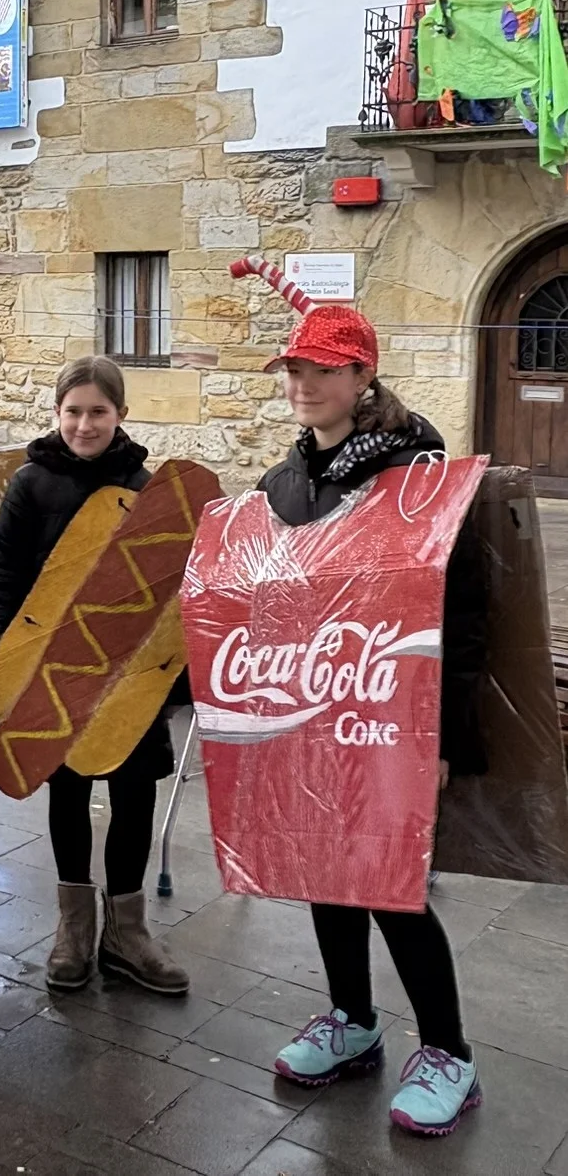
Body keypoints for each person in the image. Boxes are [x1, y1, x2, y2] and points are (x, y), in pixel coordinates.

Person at [254, 305, 485, 1138]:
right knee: (325, 867)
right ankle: (352, 1018)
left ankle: (449, 1053)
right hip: (314, 706)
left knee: (393, 883)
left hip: (396, 714)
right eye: (295, 368)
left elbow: (461, 614)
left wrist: (448, 739)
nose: (304, 383)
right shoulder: (283, 483)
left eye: (323, 368)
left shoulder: (418, 475)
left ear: (362, 376)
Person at [0, 356, 188, 998]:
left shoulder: (149, 490)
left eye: (98, 411)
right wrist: (5, 672)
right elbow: (3, 580)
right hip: (54, 671)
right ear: (57, 413)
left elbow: (172, 597)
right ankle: (74, 928)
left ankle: (128, 933)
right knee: (67, 792)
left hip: (130, 678)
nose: (85, 424)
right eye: (73, 411)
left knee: (134, 793)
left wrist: (168, 685)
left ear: (121, 413)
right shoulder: (31, 485)